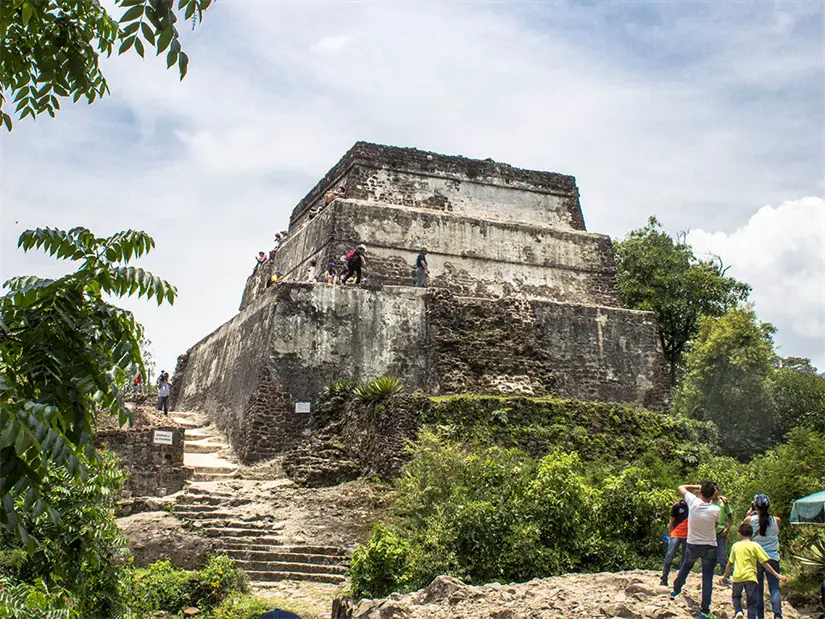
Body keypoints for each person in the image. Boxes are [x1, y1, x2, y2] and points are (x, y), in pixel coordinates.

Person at [671, 481, 722, 619]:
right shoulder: (716, 509)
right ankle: (705, 610)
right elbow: (715, 525)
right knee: (707, 578)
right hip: (710, 545)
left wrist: (696, 487)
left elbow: (680, 487)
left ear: (700, 492)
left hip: (693, 544)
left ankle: (675, 590)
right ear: (712, 496)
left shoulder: (692, 502)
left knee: (686, 566)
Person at [719, 523, 787, 619]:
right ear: (752, 535)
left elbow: (730, 563)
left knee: (736, 597)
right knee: (751, 603)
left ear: (739, 534)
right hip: (751, 578)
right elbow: (764, 562)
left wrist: (724, 576)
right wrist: (777, 575)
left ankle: (738, 611)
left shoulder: (735, 546)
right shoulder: (755, 546)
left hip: (738, 577)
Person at [744, 494, 784, 619]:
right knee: (774, 588)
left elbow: (742, 534)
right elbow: (777, 533)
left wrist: (748, 515)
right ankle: (778, 615)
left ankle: (759, 616)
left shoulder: (750, 520)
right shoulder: (776, 520)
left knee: (758, 589)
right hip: (772, 557)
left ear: (755, 506)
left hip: (756, 558)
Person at [661, 497, 689, 586]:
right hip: (676, 533)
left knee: (685, 558)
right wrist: (670, 535)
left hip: (688, 535)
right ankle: (664, 578)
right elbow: (672, 521)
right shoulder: (677, 506)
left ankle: (681, 579)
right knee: (669, 555)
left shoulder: (693, 506)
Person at [713, 488, 734, 581]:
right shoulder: (707, 501)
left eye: (715, 490)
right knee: (709, 555)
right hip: (710, 532)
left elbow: (730, 516)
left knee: (722, 556)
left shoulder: (723, 502)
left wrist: (727, 528)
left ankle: (726, 577)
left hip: (721, 531)